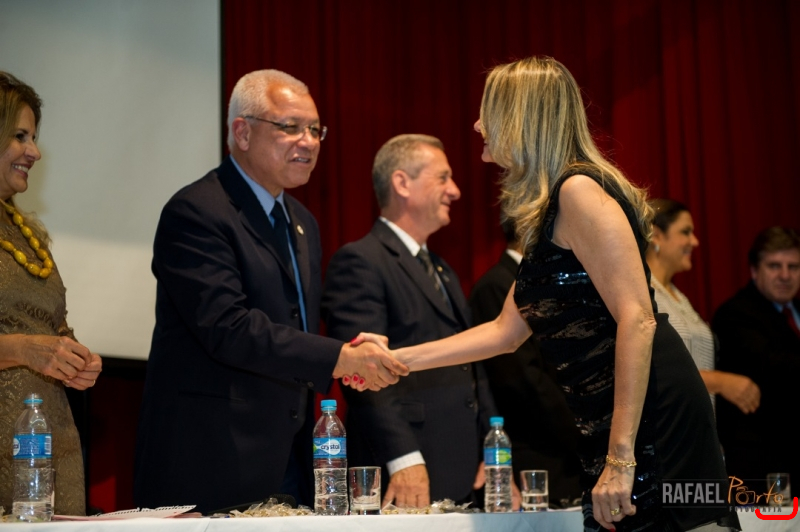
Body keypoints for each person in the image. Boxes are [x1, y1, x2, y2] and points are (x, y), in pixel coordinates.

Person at [352, 57, 739, 530]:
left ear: (519, 116)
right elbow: (504, 333)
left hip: (650, 419)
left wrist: (620, 458)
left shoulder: (578, 190)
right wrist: (396, 360)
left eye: (487, 112)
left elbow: (638, 318)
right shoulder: (550, 207)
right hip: (613, 421)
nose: (477, 125)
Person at [133, 69, 407, 514]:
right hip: (211, 460)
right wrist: (339, 357)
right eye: (290, 127)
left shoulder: (303, 222)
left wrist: (351, 353)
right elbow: (228, 327)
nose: (308, 142)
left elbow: (294, 327)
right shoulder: (197, 211)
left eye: (315, 130)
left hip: (290, 460)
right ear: (242, 132)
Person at [322, 134, 498, 508]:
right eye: (443, 178)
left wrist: (492, 448)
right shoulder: (360, 261)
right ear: (402, 183)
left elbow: (472, 365)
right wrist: (403, 458)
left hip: (464, 470)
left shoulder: (443, 270)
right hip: (406, 470)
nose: (455, 191)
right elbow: (363, 375)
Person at [0, 71, 102, 515]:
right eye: (19, 136)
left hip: (50, 444)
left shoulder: (26, 232)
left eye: (34, 138)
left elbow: (51, 325)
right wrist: (24, 349)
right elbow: (27, 341)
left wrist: (75, 357)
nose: (35, 152)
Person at [469, 217, 583, 507]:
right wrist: (581, 433)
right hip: (536, 453)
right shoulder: (496, 285)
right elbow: (524, 380)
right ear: (527, 225)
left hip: (562, 451)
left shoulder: (544, 281)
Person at [646, 199, 760, 413]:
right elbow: (650, 369)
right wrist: (719, 382)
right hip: (667, 425)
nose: (695, 241)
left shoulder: (678, 296)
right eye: (685, 232)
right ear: (656, 235)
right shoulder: (644, 291)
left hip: (698, 426)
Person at [711, 226, 800, 493]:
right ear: (754, 270)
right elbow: (777, 371)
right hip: (765, 466)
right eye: (774, 266)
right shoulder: (736, 314)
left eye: (793, 267)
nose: (785, 275)